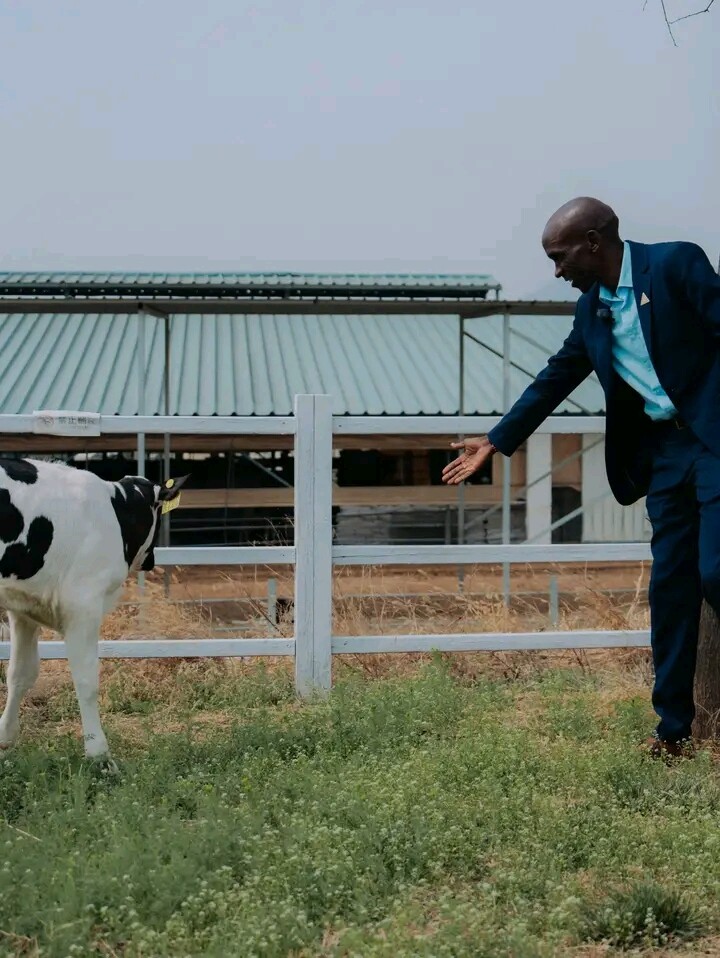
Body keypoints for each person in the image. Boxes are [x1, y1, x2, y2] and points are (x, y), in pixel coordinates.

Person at [442, 197, 720, 758]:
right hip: (664, 456)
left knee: (716, 571)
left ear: (593, 242)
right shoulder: (591, 310)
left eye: (559, 256)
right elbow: (557, 376)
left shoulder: (675, 264)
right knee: (671, 591)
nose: (556, 270)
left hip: (714, 440)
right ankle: (672, 733)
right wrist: (496, 440)